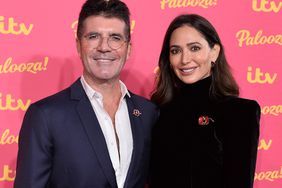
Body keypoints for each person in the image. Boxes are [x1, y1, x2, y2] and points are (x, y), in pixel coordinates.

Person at [14, 0, 159, 187]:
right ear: (78, 45)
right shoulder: (46, 116)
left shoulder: (148, 113)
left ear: (128, 48)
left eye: (115, 37)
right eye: (93, 36)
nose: (104, 47)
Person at [149, 14, 260, 188]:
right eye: (175, 51)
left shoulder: (240, 112)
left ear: (214, 52)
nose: (185, 59)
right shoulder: (155, 112)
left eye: (194, 48)